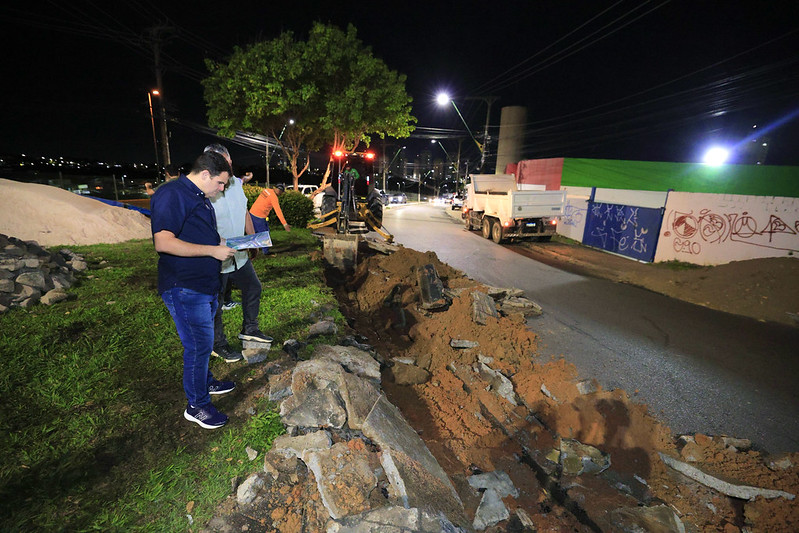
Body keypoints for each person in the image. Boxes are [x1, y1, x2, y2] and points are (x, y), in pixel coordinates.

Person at [150, 151, 237, 430]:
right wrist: (213, 250)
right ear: (204, 175)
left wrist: (220, 242)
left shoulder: (199, 196)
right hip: (185, 287)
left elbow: (194, 233)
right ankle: (197, 406)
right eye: (221, 183)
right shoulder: (172, 194)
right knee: (198, 346)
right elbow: (163, 242)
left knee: (204, 343)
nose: (222, 189)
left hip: (204, 285)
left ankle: (205, 381)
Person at [204, 144, 273, 365]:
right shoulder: (205, 188)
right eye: (224, 163)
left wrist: (252, 240)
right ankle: (218, 343)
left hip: (239, 253)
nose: (229, 167)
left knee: (253, 286)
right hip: (217, 255)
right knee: (216, 301)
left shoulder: (235, 184)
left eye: (230, 162)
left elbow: (244, 211)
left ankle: (250, 329)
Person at [248, 183, 291, 253]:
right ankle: (265, 251)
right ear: (280, 191)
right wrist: (285, 224)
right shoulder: (274, 198)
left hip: (252, 213)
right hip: (259, 216)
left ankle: (251, 249)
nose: (281, 194)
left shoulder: (266, 190)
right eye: (282, 193)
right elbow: (278, 211)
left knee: (253, 233)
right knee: (265, 234)